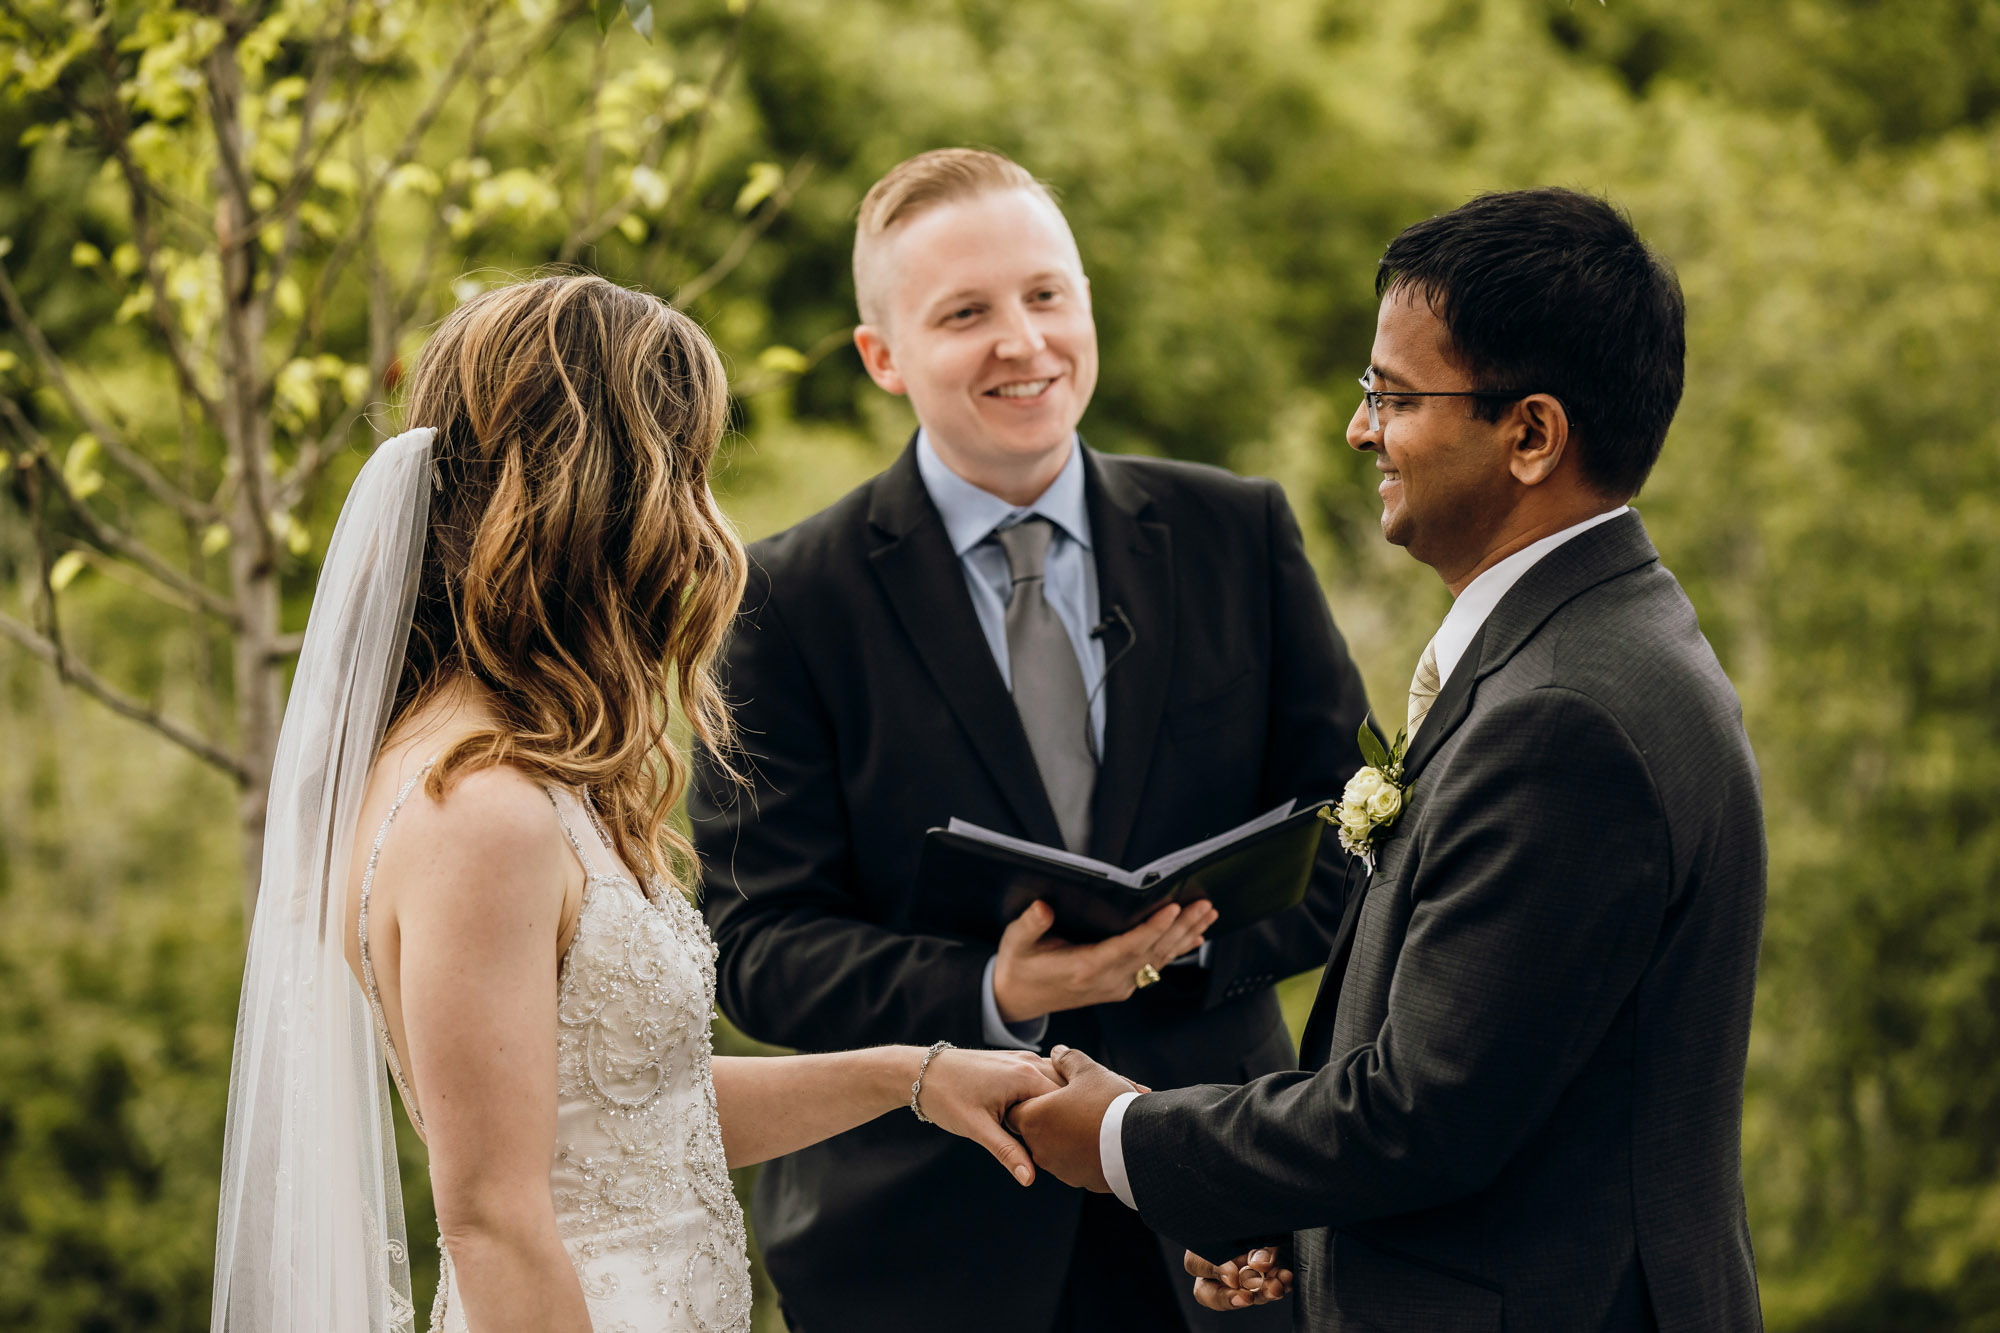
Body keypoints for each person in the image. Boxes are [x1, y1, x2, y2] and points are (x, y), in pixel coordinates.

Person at [210, 274, 1062, 1333]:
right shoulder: (476, 805)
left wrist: (915, 1076)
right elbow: (494, 1219)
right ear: (605, 493)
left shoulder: (528, 768)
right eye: (688, 468)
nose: (708, 517)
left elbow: (628, 1120)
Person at [1012, 188, 1768, 1332]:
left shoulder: (1565, 717)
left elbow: (1424, 1113)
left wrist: (1123, 1138)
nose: (1359, 428)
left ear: (1529, 434)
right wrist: (1284, 1223)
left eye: (1393, 396)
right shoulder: (1595, 644)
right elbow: (1501, 1087)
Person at [687, 149, 1370, 1333]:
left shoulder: (1237, 533)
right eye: (965, 312)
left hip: (1217, 1214)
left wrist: (1170, 951)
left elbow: (1354, 833)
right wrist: (988, 987)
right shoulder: (782, 602)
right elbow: (753, 943)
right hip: (918, 1246)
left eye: (1046, 295)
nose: (1022, 340)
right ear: (882, 356)